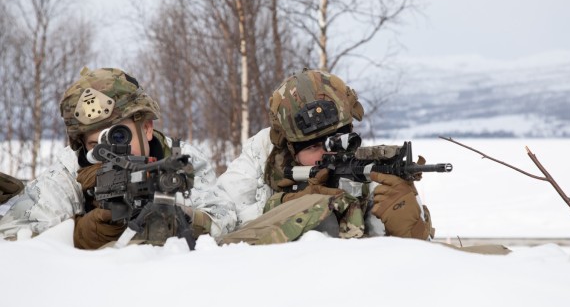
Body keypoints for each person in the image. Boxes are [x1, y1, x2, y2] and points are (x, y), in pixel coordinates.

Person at [0, 67, 234, 248]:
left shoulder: (179, 158)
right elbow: (13, 238)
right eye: (95, 145)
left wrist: (179, 216)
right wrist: (80, 233)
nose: (110, 151)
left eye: (119, 136)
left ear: (147, 129)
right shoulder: (70, 170)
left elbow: (225, 220)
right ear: (81, 145)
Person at [213, 68, 435, 244]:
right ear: (290, 149)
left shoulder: (370, 173)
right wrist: (288, 207)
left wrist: (409, 233)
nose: (329, 154)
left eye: (339, 141)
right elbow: (219, 224)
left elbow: (402, 263)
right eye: (314, 147)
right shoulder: (262, 155)